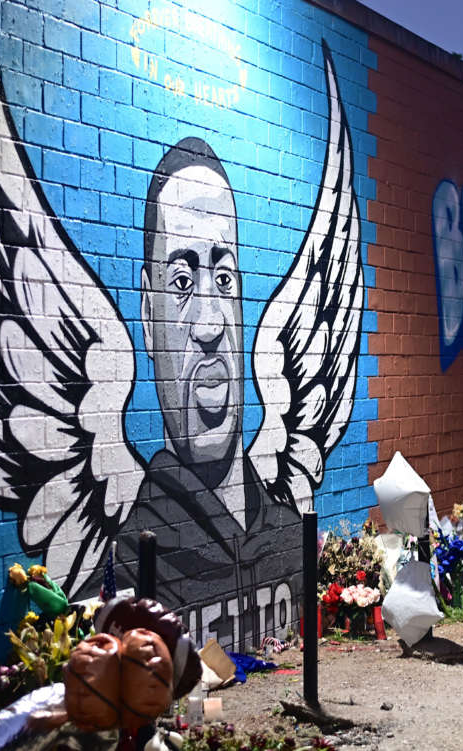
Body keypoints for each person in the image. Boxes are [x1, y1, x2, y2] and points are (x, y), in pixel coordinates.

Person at [77, 138, 301, 648]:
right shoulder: (129, 570)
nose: (208, 323)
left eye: (224, 279)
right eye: (181, 282)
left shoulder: (291, 539)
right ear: (148, 317)